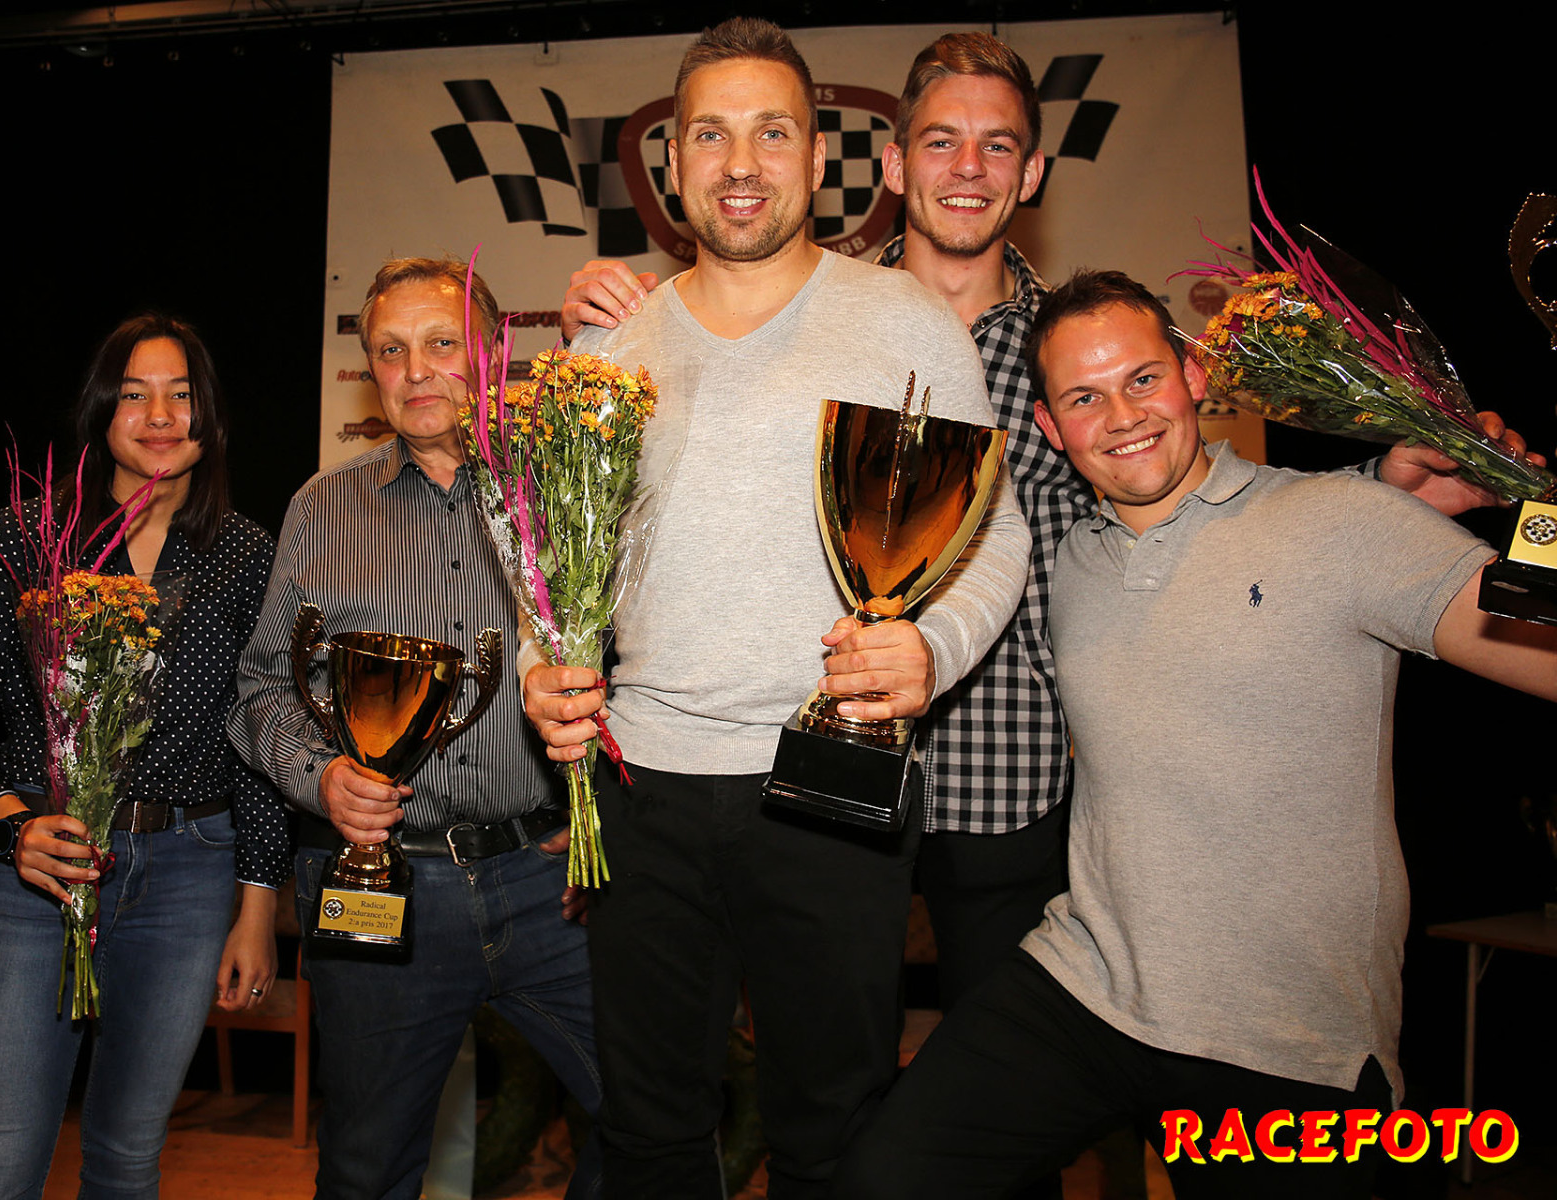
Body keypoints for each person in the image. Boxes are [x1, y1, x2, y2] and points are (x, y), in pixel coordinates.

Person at [560, 31, 1531, 1018]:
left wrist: (1372, 489)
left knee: (1005, 1076)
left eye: (997, 146)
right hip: (820, 774)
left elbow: (1184, 501)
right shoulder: (827, 313)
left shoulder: (1084, 345)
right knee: (827, 1076)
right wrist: (606, 339)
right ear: (891, 166)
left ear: (1030, 174)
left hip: (1006, 774)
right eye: (940, 142)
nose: (967, 169)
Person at [834, 271, 1557, 1200]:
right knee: (884, 1178)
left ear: (1193, 376)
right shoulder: (1061, 562)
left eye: (1142, 379)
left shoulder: (1346, 523)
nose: (1122, 416)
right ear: (1049, 428)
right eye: (1084, 398)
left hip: (1288, 1038)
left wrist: (1539, 505)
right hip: (1091, 986)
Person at [524, 19, 1030, 1199]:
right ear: (672, 164)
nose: (741, 163)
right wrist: (543, 670)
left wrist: (935, 647)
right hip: (639, 787)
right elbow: (549, 561)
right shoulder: (610, 344)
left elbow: (993, 529)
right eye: (711, 134)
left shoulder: (906, 320)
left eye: (771, 132)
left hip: (831, 783)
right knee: (647, 1132)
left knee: (832, 1132)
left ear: (818, 157)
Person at [229, 257, 602, 1200]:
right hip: (379, 881)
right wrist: (320, 778)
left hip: (551, 881)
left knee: (648, 1119)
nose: (417, 370)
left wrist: (604, 810)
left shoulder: (565, 490)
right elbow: (261, 687)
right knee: (367, 1166)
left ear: (492, 353)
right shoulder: (322, 508)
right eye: (391, 352)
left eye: (442, 343)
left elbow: (633, 662)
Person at [0, 313, 290, 1199]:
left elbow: (259, 734)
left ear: (210, 415)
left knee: (127, 1160)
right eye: (134, 394)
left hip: (190, 877)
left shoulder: (245, 554)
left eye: (180, 394)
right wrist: (13, 828)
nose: (159, 416)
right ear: (100, 410)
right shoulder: (24, 541)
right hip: (37, 876)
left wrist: (256, 908)